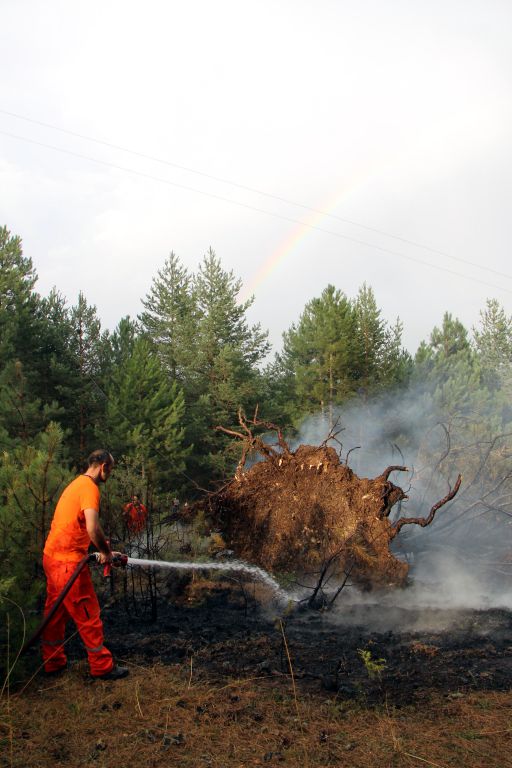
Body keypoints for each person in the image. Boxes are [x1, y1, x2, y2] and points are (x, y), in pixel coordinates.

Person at [41, 449, 129, 680]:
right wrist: (107, 553)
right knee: (88, 614)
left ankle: (53, 662)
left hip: (52, 558)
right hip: (68, 564)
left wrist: (99, 552)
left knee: (55, 614)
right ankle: (102, 666)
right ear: (103, 466)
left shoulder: (76, 485)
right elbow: (92, 527)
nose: (110, 473)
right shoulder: (90, 489)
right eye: (110, 468)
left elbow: (75, 528)